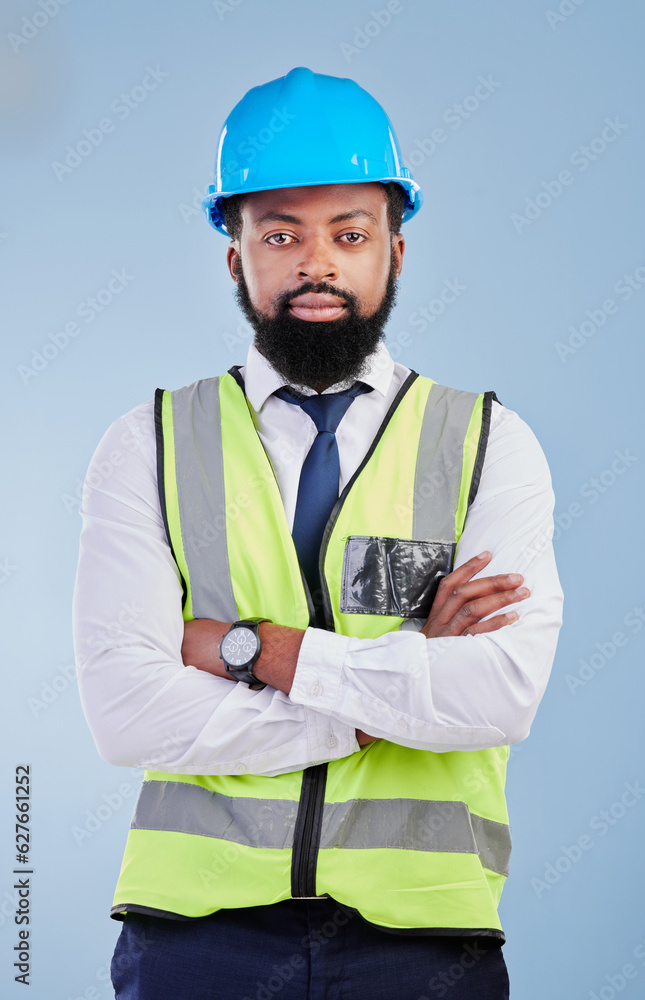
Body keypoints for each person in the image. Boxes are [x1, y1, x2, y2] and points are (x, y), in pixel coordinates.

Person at [73, 67, 563, 1000]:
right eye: (281, 234)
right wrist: (402, 688)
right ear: (236, 257)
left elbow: (499, 692)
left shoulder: (488, 442)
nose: (317, 264)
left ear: (395, 252)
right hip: (193, 938)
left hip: (424, 938)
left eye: (349, 234)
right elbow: (125, 711)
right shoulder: (150, 442)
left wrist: (252, 649)